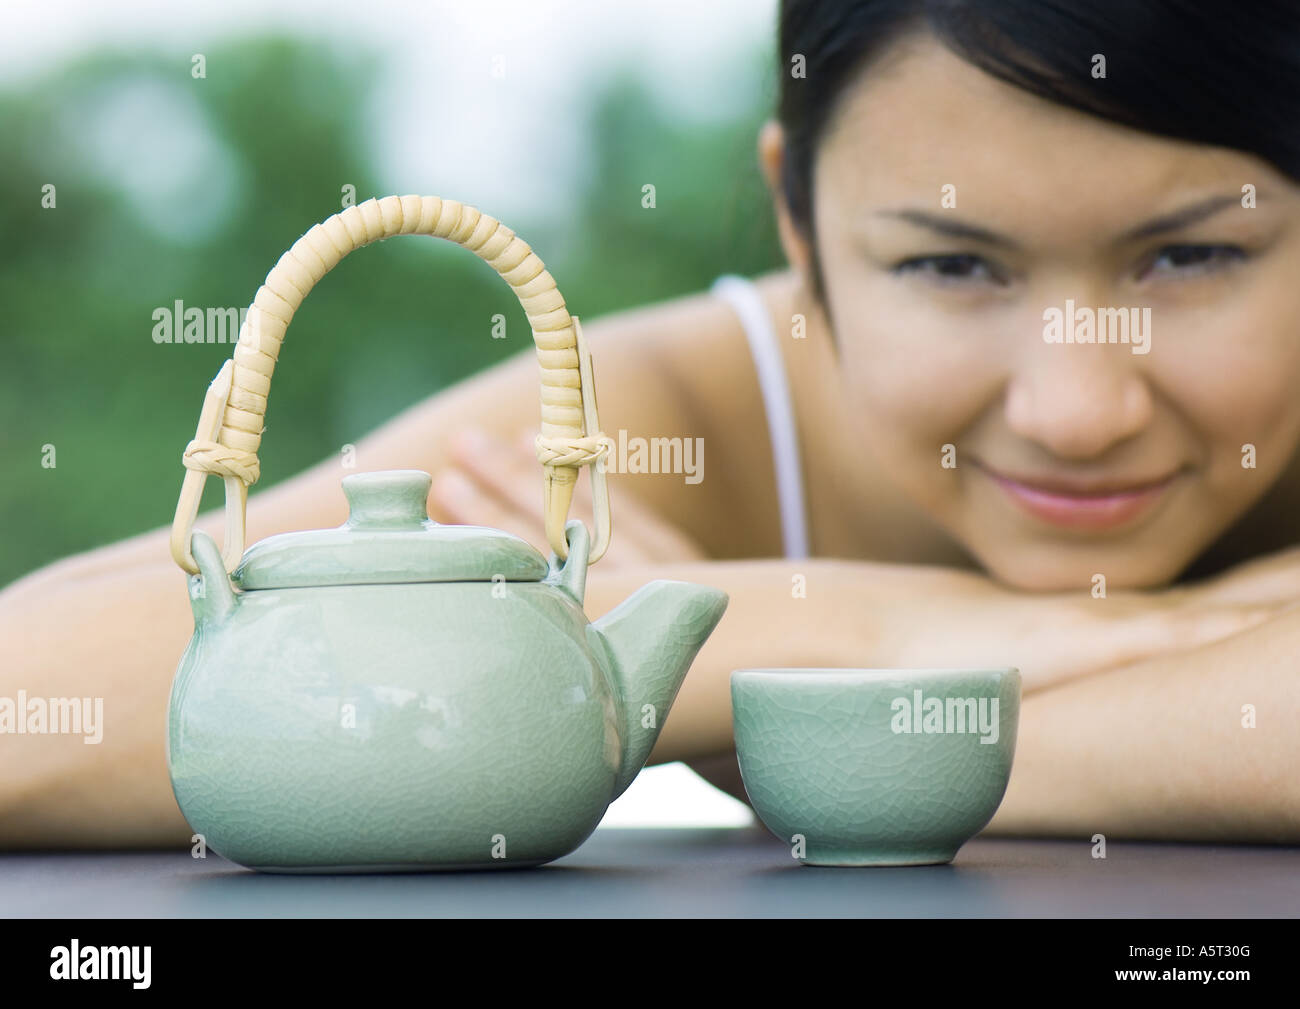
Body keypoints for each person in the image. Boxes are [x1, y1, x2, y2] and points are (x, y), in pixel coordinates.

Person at [3, 0, 1299, 848]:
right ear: (797, 222)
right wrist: (814, 623)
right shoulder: (681, 417)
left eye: (1189, 258)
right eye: (952, 268)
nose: (1076, 411)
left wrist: (812, 735)